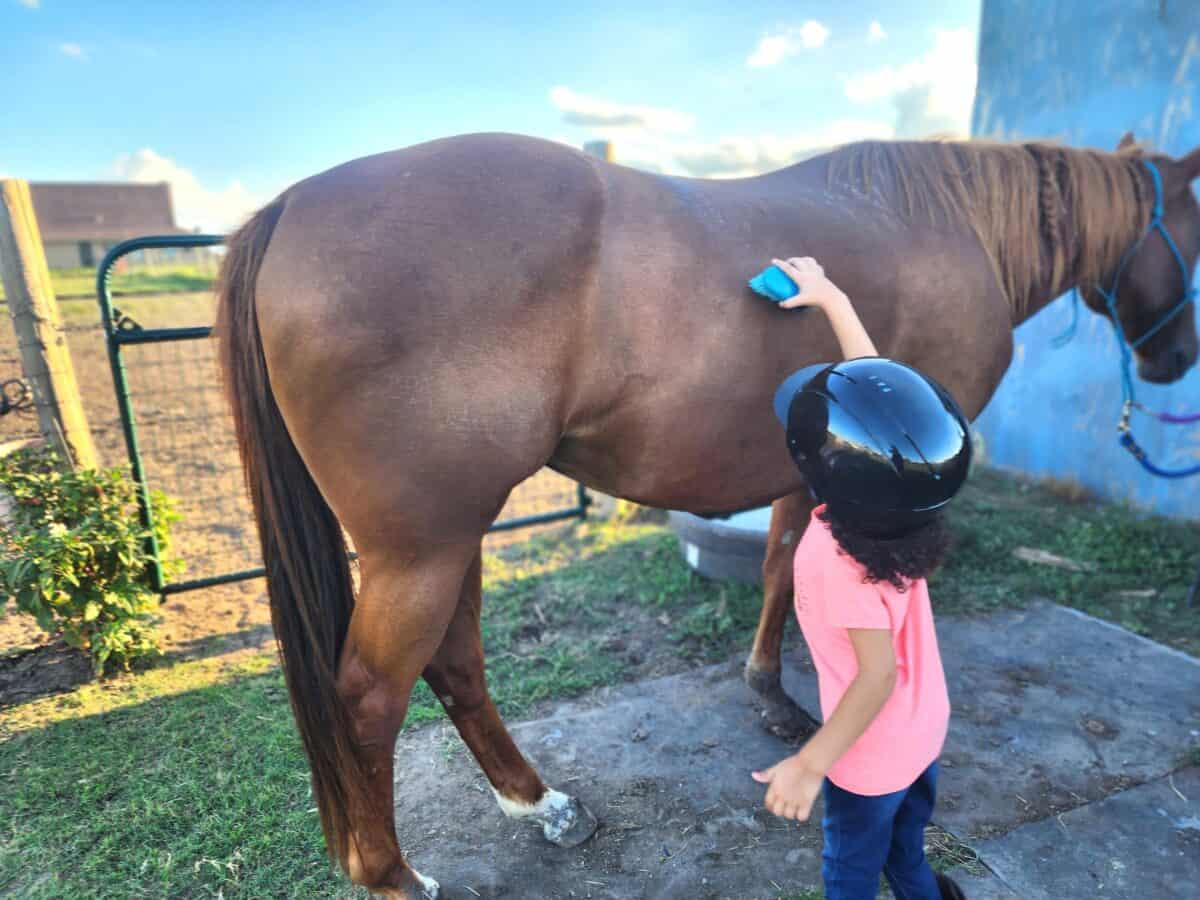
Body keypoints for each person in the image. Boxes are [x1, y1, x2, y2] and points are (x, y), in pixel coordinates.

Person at [751, 257, 972, 900]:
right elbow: (882, 407)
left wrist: (810, 763)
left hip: (869, 760)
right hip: (924, 729)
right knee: (906, 852)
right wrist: (833, 299)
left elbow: (877, 676)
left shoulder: (830, 554)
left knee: (848, 870)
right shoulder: (909, 500)